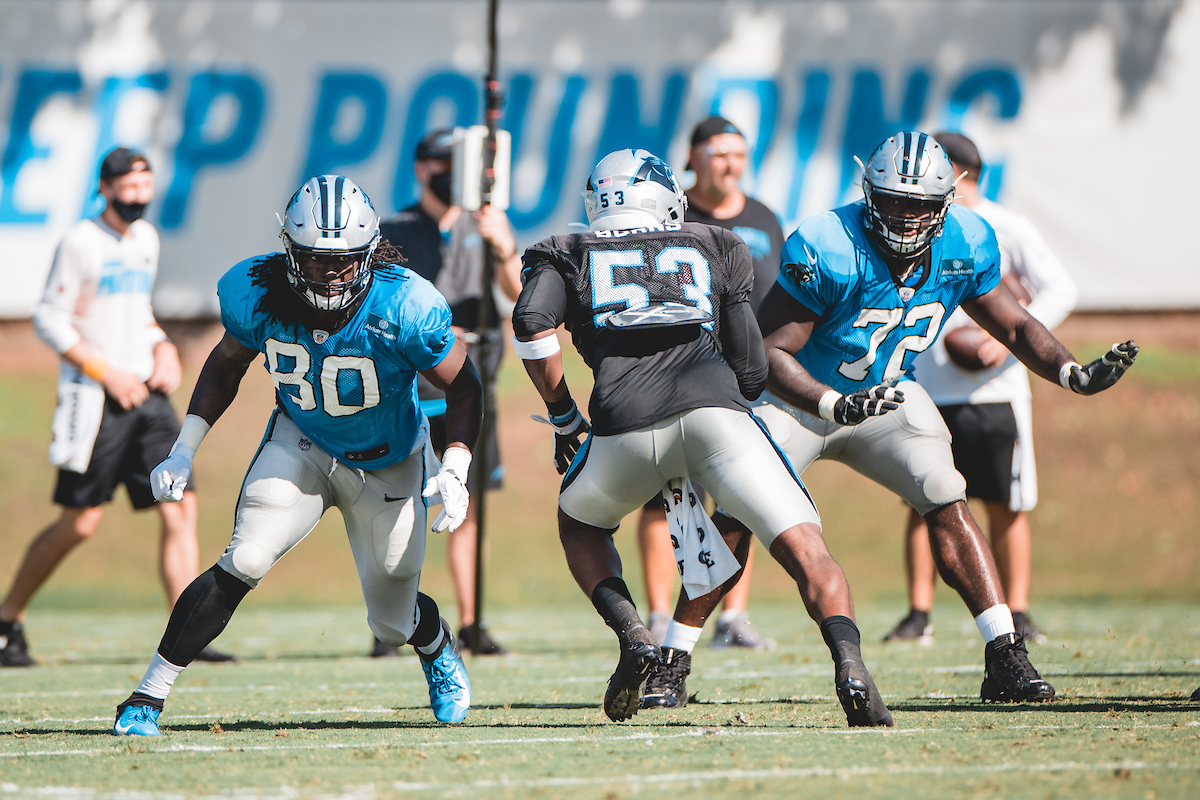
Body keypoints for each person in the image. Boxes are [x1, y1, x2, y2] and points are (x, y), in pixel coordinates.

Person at [640, 131, 1138, 709]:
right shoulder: (829, 242)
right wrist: (829, 403)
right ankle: (672, 663)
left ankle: (1006, 656)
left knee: (946, 495)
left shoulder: (967, 241)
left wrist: (1071, 373)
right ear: (869, 192)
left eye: (919, 204)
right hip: (797, 401)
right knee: (738, 513)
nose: (905, 216)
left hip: (885, 398)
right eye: (894, 200)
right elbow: (769, 352)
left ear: (946, 202)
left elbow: (1016, 325)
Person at [512, 148, 893, 727]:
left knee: (581, 524)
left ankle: (635, 633)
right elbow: (753, 369)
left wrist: (563, 415)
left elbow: (530, 324)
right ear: (669, 199)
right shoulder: (715, 243)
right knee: (806, 547)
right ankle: (850, 664)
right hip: (719, 416)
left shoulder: (566, 251)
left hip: (623, 424)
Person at [111, 175, 482, 735]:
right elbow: (226, 363)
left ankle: (434, 645)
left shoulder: (405, 302)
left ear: (370, 251)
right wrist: (183, 450)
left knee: (389, 623)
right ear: (289, 249)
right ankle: (148, 694)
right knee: (247, 557)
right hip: (302, 443)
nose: (330, 274)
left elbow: (466, 384)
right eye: (314, 259)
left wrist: (455, 463)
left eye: (343, 260)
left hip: (389, 460)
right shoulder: (256, 290)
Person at [0, 148, 233, 668]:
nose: (137, 197)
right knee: (80, 523)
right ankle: (7, 620)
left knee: (181, 505)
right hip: (97, 397)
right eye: (128, 187)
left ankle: (186, 633)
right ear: (104, 188)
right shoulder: (81, 242)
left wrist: (162, 346)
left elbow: (136, 312)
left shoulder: (144, 240)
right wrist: (108, 372)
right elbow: (49, 318)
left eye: (144, 186)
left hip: (148, 396)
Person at [884, 132, 1077, 646]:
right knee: (925, 498)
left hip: (997, 391)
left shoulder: (1004, 226)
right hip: (930, 385)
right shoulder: (903, 224)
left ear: (964, 174)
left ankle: (1018, 609)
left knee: (1004, 502)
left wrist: (1007, 340)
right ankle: (918, 611)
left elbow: (1060, 287)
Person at [637, 116, 786, 650]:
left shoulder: (765, 217)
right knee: (669, 497)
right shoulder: (669, 213)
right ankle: (659, 614)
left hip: (745, 384)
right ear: (692, 158)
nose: (730, 164)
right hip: (678, 375)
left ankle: (732, 618)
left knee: (741, 498)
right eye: (719, 153)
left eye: (738, 153)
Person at [375, 129, 523, 657]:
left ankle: (471, 621)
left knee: (469, 507)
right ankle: (392, 621)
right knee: (394, 505)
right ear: (421, 167)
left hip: (469, 387)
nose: (448, 171)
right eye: (440, 162)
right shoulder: (392, 232)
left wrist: (505, 248)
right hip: (407, 391)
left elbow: (516, 295)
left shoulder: (482, 225)